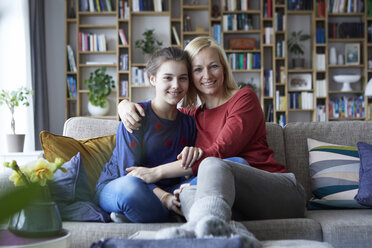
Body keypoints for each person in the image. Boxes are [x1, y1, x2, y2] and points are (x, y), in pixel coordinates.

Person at [118, 37, 305, 245]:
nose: (207, 75)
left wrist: (156, 172)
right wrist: (124, 105)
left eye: (213, 66)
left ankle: (194, 236)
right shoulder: (190, 116)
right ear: (190, 77)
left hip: (278, 192)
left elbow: (220, 152)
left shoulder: (244, 99)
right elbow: (163, 110)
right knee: (187, 194)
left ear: (223, 68)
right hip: (233, 201)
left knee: (214, 165)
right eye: (198, 70)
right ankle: (223, 237)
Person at [94, 47, 203, 223]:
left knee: (226, 168)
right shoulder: (135, 115)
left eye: (182, 78)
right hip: (120, 184)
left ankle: (140, 214)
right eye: (168, 78)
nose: (176, 85)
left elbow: (188, 171)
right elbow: (128, 173)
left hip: (170, 188)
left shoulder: (189, 122)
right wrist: (165, 199)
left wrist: (181, 190)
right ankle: (168, 216)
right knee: (131, 189)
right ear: (153, 79)